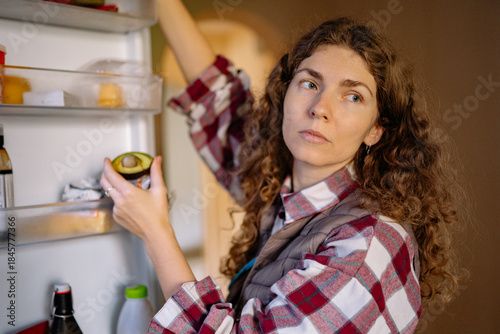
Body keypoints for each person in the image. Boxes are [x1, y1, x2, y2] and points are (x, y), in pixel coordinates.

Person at [100, 0, 462, 332]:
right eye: (309, 83)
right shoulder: (277, 187)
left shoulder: (367, 247)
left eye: (352, 96)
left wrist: (156, 232)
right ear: (284, 95)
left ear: (376, 129)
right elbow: (217, 99)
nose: (320, 107)